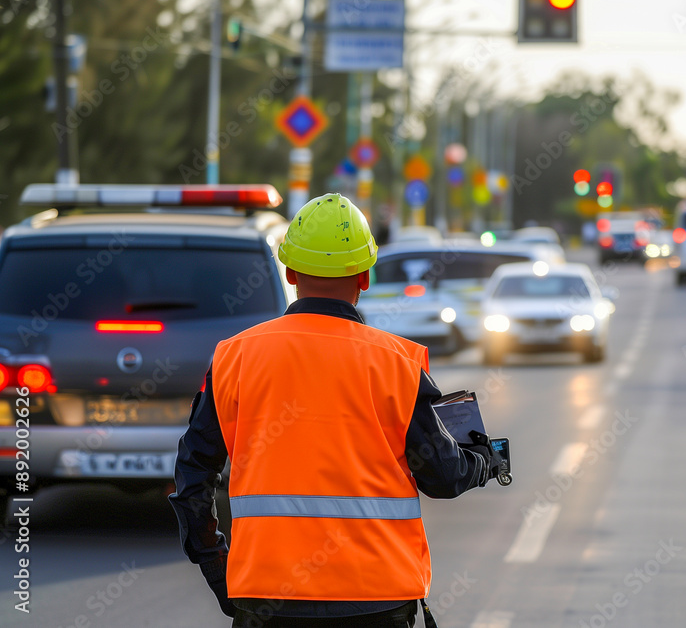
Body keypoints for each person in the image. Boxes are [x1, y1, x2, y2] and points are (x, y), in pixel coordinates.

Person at [169, 193, 501, 628]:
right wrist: (486, 460)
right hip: (377, 598)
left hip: (266, 598)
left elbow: (193, 480)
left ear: (289, 272)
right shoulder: (397, 364)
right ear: (364, 276)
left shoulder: (235, 357)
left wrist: (220, 573)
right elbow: (442, 476)